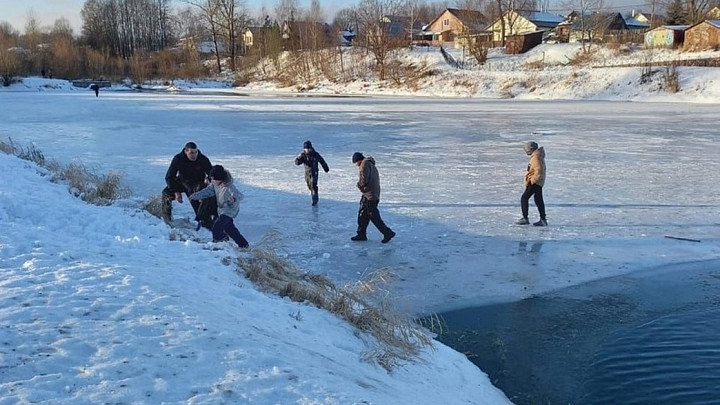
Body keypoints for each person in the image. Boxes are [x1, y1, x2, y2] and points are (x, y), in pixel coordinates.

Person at [190, 165, 249, 248]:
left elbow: (239, 195)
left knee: (217, 227)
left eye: (214, 179)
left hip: (229, 210)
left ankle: (217, 246)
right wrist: (196, 195)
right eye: (212, 178)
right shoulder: (214, 184)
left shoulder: (229, 186)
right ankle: (244, 245)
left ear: (220, 178)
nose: (212, 181)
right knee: (230, 229)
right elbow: (207, 191)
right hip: (221, 210)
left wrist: (233, 199)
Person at [161, 141, 217, 229]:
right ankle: (167, 219)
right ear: (185, 151)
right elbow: (169, 177)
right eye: (191, 153)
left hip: (197, 183)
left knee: (198, 198)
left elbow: (211, 173)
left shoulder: (202, 159)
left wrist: (209, 180)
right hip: (182, 182)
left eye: (196, 152)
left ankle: (205, 221)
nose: (194, 155)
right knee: (165, 193)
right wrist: (176, 191)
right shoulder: (178, 158)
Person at [350, 152, 396, 243]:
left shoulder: (364, 165)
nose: (356, 165)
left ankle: (387, 233)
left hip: (370, 194)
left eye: (356, 163)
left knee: (373, 215)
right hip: (369, 193)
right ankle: (361, 234)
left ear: (358, 160)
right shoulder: (369, 163)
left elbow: (364, 179)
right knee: (363, 214)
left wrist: (359, 185)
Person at [516, 141, 547, 226]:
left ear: (531, 149)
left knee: (524, 198)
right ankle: (543, 219)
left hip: (535, 182)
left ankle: (525, 218)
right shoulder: (537, 156)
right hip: (538, 181)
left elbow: (539, 170)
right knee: (538, 200)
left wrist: (532, 181)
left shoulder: (536, 158)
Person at [294, 140, 329, 206]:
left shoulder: (315, 154)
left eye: (308, 149)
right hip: (307, 173)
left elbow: (322, 161)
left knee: (313, 185)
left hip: (314, 171)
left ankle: (315, 200)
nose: (307, 150)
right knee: (309, 185)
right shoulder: (303, 155)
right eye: (306, 149)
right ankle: (314, 193)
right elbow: (297, 163)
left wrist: (325, 168)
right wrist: (298, 158)